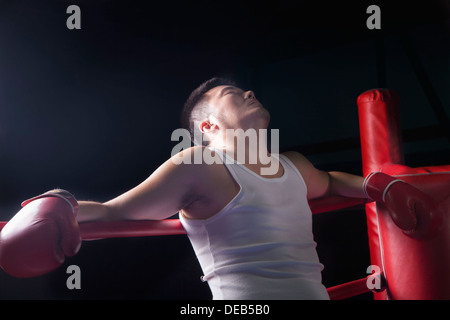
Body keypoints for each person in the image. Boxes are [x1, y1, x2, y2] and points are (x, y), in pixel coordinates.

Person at [0, 77, 435, 299]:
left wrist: (379, 185)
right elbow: (117, 212)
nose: (247, 90)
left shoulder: (292, 166)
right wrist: (59, 204)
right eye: (232, 92)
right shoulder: (200, 164)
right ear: (207, 126)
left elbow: (332, 182)